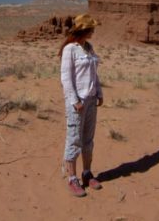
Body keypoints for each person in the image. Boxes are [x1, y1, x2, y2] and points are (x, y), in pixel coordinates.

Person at [59, 13, 103, 197]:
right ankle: (72, 178)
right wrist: (75, 100)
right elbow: (66, 78)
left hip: (91, 100)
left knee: (88, 140)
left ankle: (87, 173)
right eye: (91, 28)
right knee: (74, 140)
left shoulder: (89, 48)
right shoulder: (70, 49)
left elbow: (94, 74)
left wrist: (99, 92)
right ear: (84, 29)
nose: (94, 30)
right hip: (77, 103)